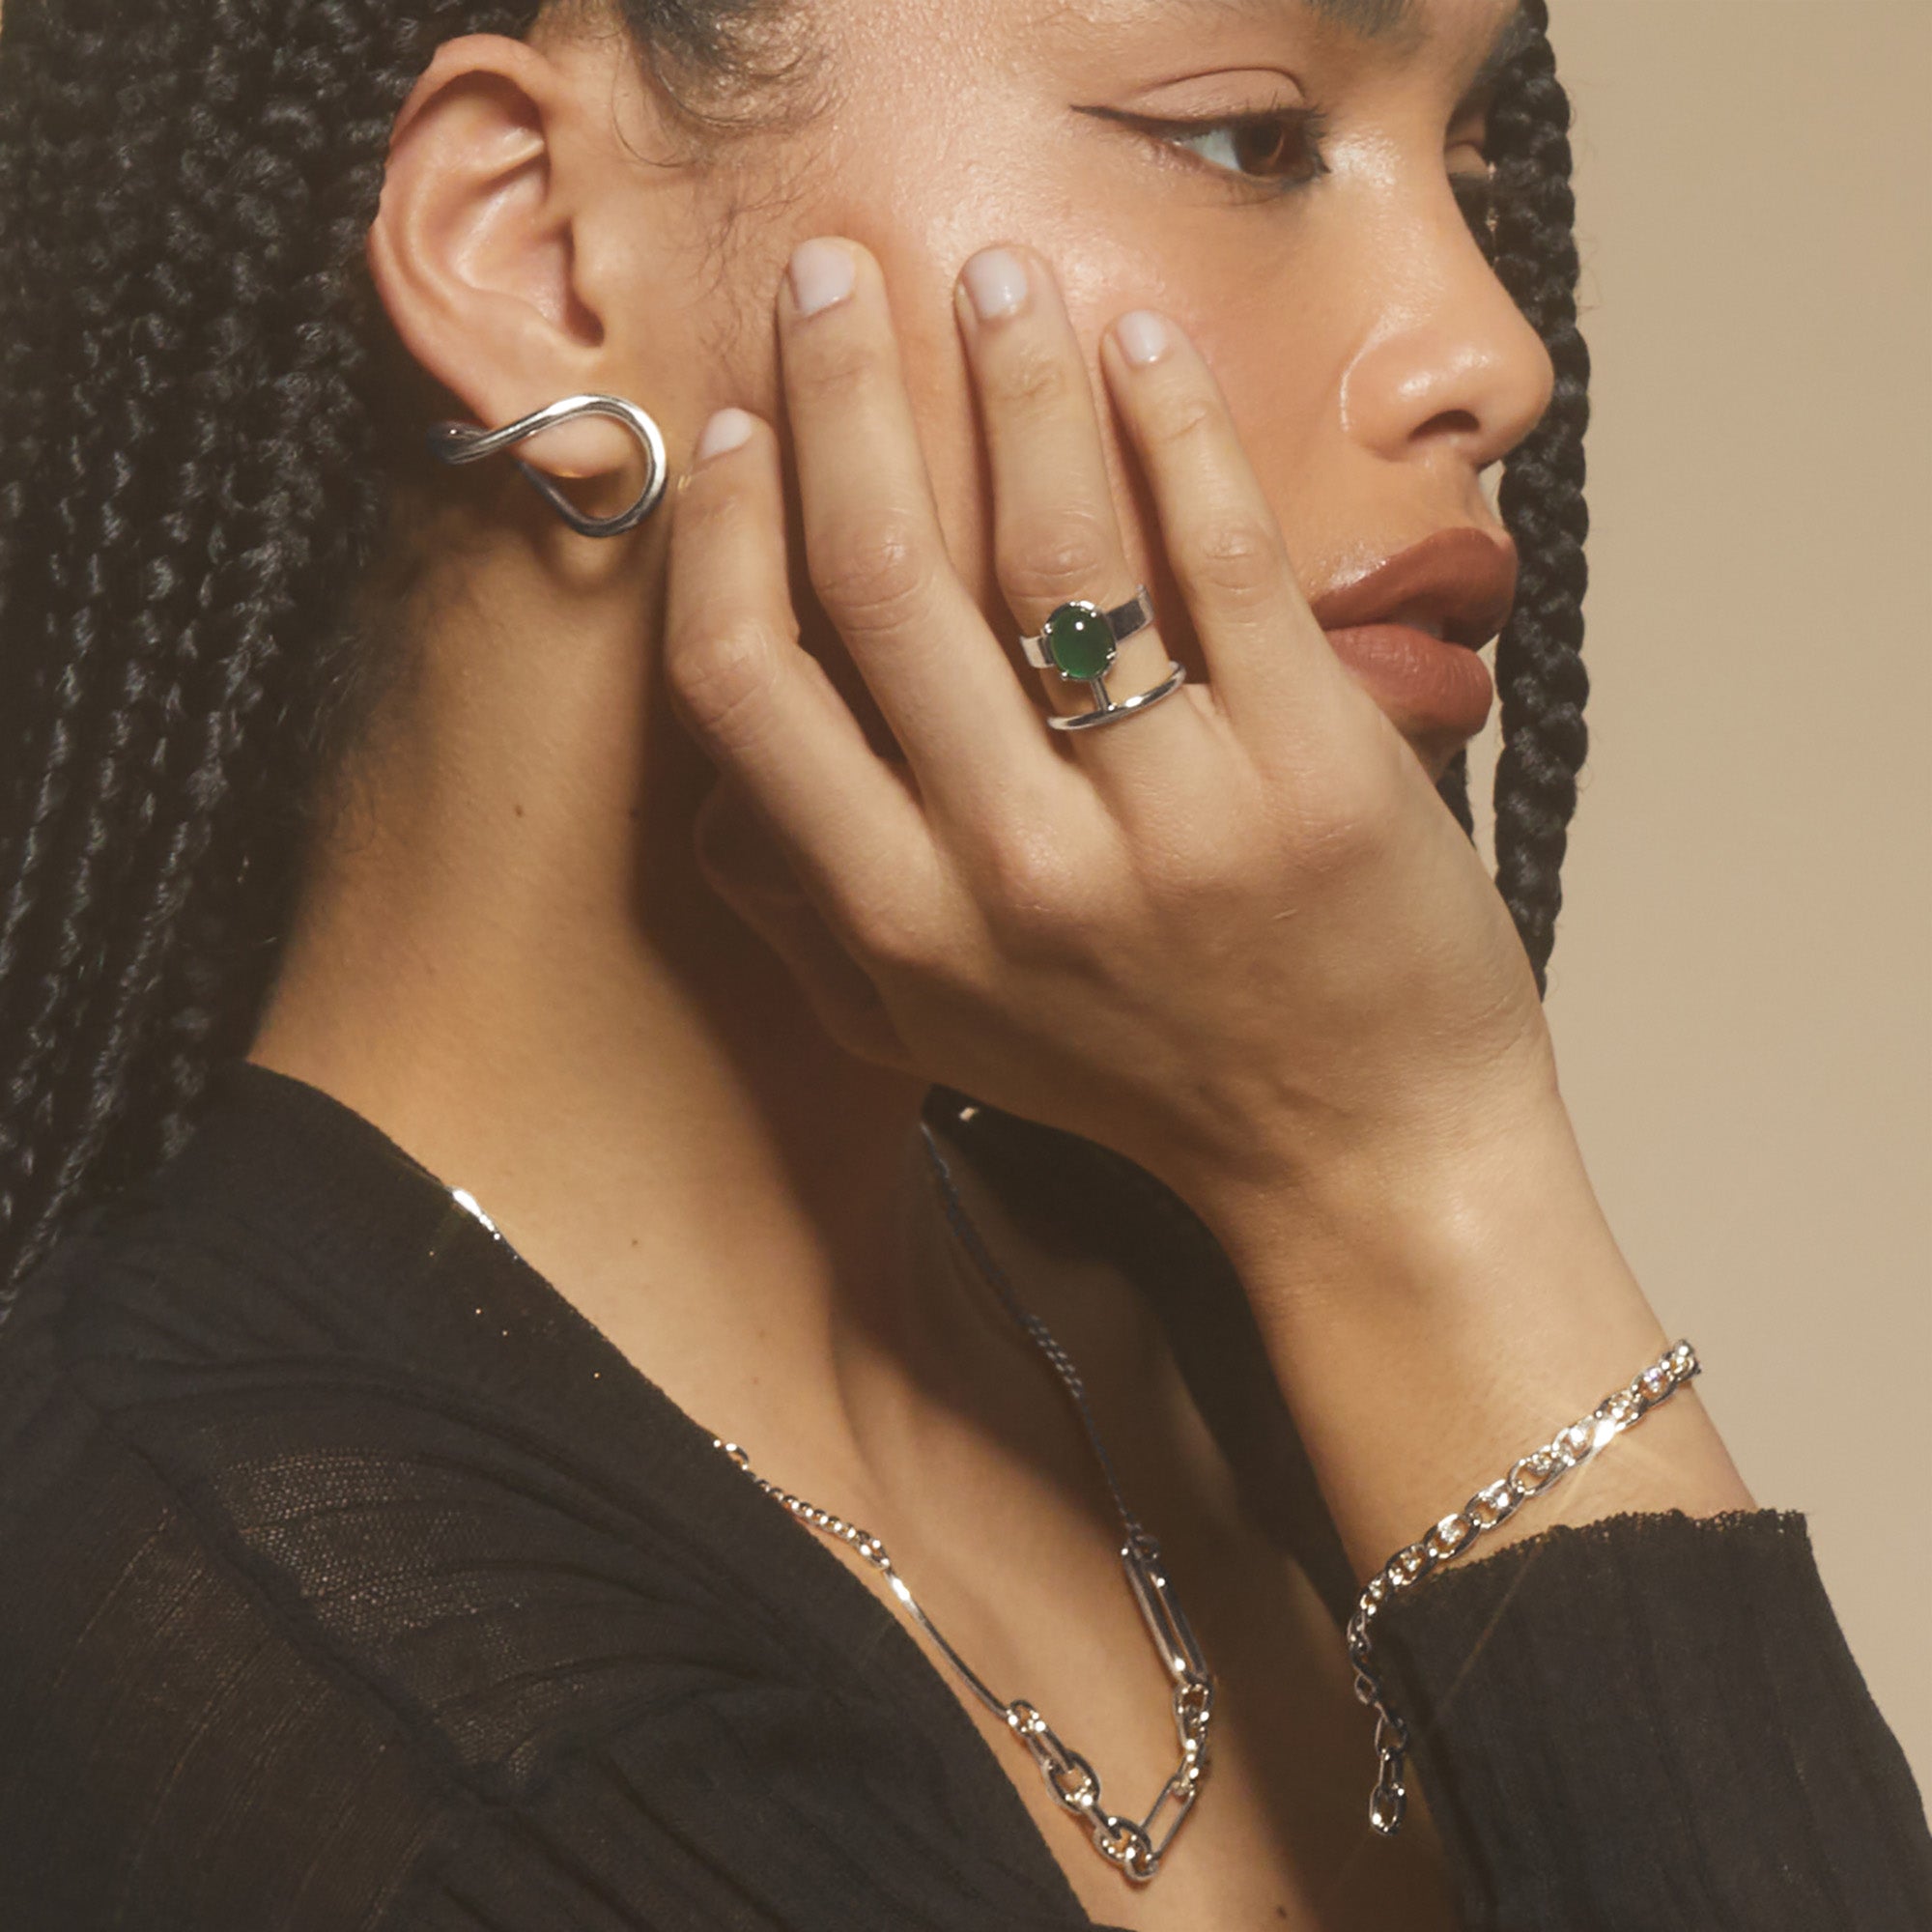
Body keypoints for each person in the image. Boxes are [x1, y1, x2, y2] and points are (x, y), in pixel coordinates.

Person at [0, 0, 1925, 1926]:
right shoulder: (346, 1706)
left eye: (1474, 166)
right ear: (538, 254)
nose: (1490, 356)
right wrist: (1421, 1180)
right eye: (1251, 138)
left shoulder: (1186, 1296)